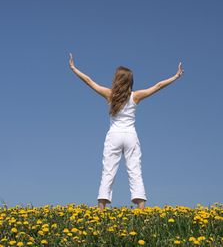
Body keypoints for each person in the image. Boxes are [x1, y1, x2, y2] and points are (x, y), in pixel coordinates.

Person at [69, 53, 184, 211]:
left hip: (114, 136)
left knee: (108, 171)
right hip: (130, 136)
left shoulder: (110, 95)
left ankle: (101, 211)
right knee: (135, 171)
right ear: (130, 81)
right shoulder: (135, 96)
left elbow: (89, 81)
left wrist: (74, 68)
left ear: (117, 80)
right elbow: (157, 86)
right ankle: (141, 210)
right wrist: (176, 76)